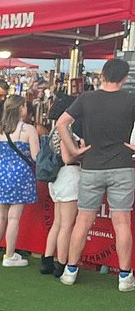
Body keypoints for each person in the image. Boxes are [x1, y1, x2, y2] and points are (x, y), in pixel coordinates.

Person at [57, 57, 135, 290]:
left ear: (102, 75)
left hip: (92, 165)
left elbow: (61, 123)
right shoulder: (130, 99)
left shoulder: (86, 98)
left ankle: (71, 270)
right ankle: (125, 276)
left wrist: (73, 151)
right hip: (122, 165)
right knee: (122, 222)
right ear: (124, 78)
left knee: (83, 220)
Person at [0, 95, 40, 267]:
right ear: (20, 108)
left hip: (1, 173)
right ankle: (9, 255)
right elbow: (36, 156)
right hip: (21, 175)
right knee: (14, 217)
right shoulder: (28, 129)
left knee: (1, 215)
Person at [40, 94, 81, 277]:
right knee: (66, 225)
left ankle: (48, 259)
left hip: (56, 178)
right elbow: (67, 157)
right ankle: (62, 263)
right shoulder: (67, 129)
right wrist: (81, 151)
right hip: (68, 175)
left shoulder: (54, 129)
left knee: (58, 222)